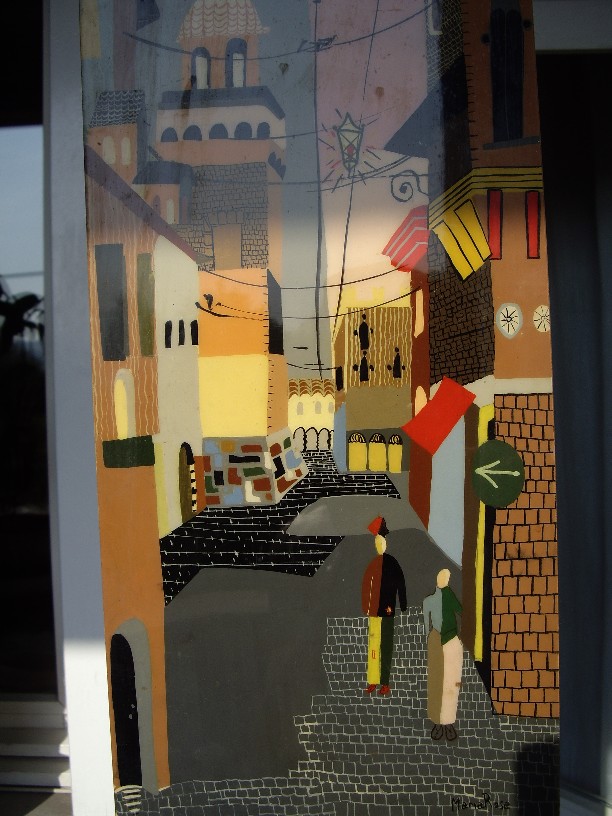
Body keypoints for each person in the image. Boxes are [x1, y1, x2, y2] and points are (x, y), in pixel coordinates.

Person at [361, 516, 407, 696]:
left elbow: (400, 583)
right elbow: (366, 587)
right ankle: (373, 680)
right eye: (377, 543)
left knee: (386, 647)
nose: (379, 545)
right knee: (373, 647)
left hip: (387, 611)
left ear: (385, 544)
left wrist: (403, 604)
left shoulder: (392, 563)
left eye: (381, 542)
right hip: (374, 612)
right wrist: (367, 607)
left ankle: (385, 682)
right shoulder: (372, 565)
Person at [422, 568, 463, 740]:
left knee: (451, 683)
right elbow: (427, 625)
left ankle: (448, 722)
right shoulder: (430, 601)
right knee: (436, 682)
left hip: (450, 640)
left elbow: (461, 611)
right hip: (438, 640)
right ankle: (438, 722)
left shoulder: (447, 596)